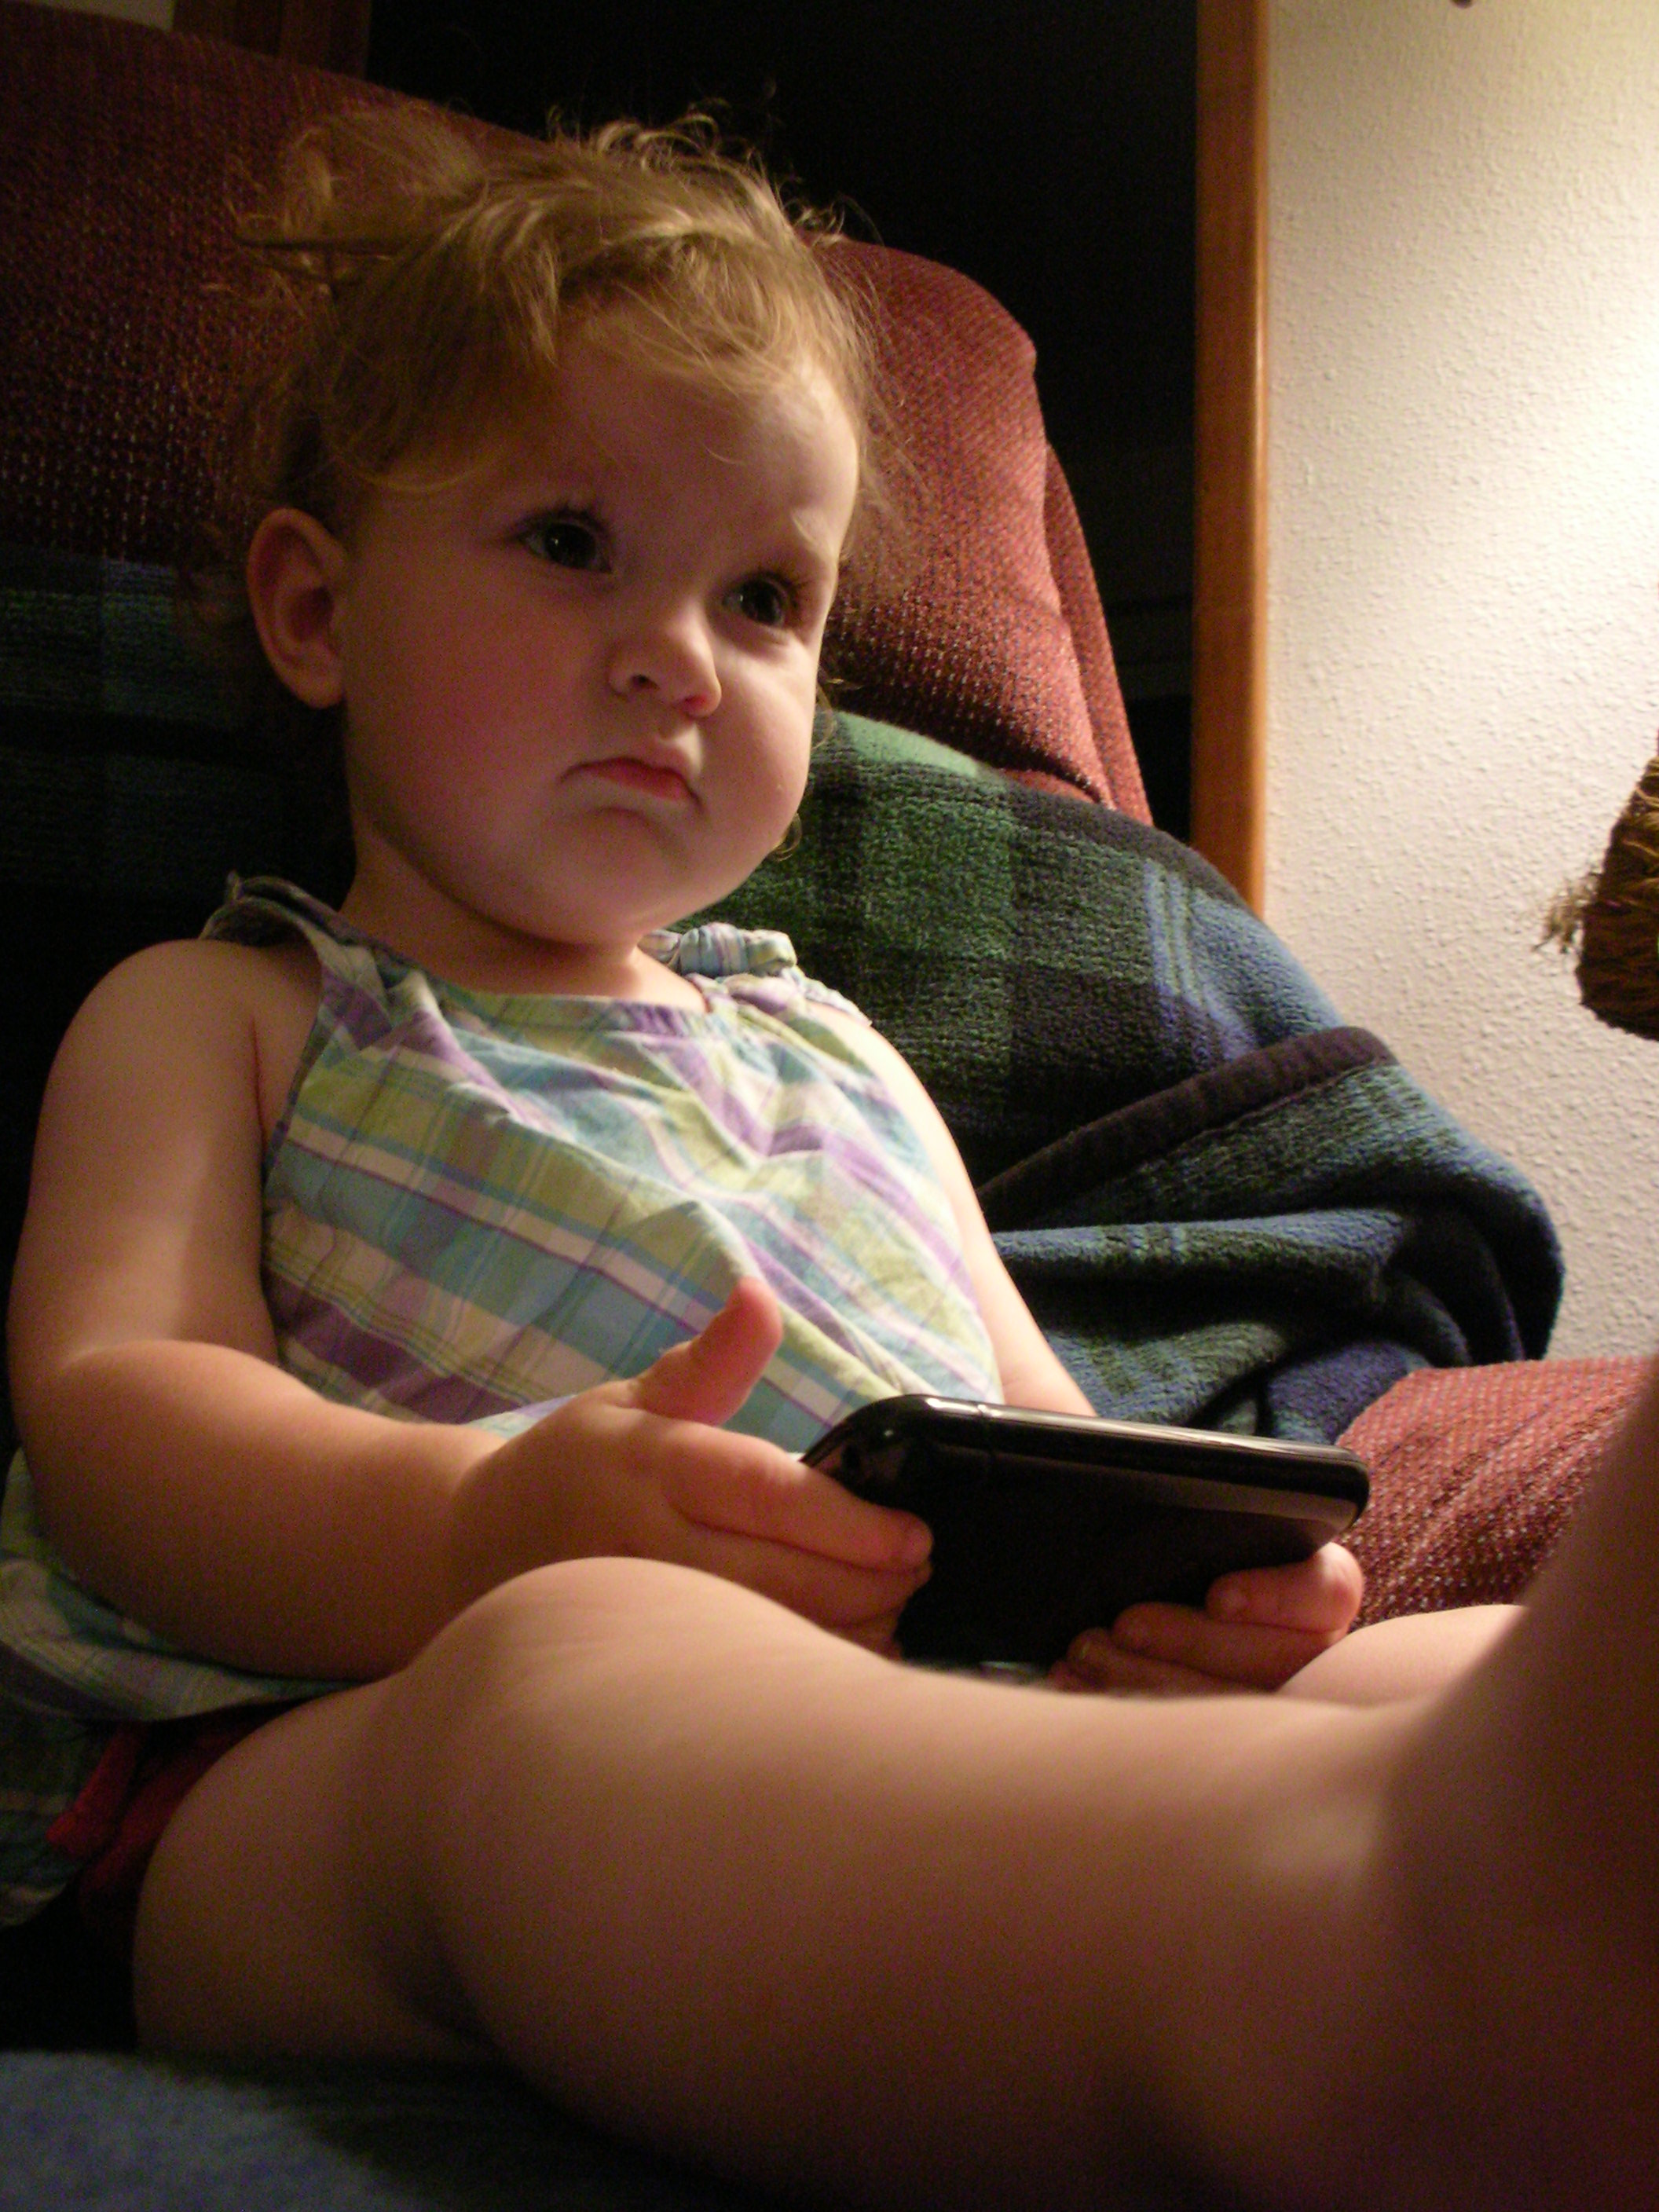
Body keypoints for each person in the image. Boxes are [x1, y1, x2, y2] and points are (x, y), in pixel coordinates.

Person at [1, 106, 1648, 2208]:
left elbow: (1042, 1434)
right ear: (317, 611)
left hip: (938, 1720)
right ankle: (1378, 1988)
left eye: (765, 596)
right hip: (324, 1770)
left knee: (1430, 1665)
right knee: (571, 1673)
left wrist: (1184, 1590)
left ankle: (1441, 1872)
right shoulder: (228, 1010)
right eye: (571, 542)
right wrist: (480, 1527)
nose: (678, 657)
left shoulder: (839, 1052)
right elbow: (119, 1416)